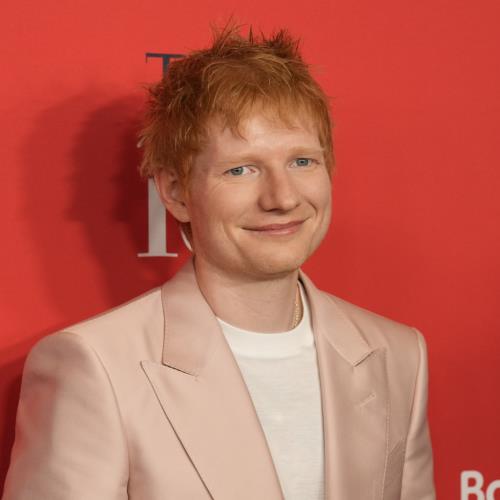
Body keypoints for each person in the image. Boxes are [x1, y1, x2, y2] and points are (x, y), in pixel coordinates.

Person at [2, 25, 435, 500]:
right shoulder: (95, 366)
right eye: (240, 169)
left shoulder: (398, 355)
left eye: (302, 162)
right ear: (175, 192)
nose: (282, 197)